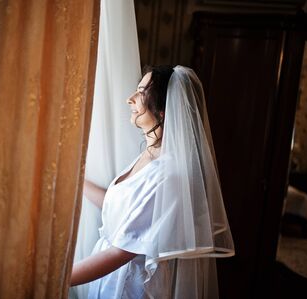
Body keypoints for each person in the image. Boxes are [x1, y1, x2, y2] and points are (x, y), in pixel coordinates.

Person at [70, 65, 235, 298]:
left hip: (127, 286)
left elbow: (121, 252)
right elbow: (120, 208)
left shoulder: (170, 175)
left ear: (162, 111)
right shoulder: (148, 157)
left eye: (141, 93)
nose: (130, 99)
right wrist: (76, 181)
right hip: (109, 277)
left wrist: (59, 277)